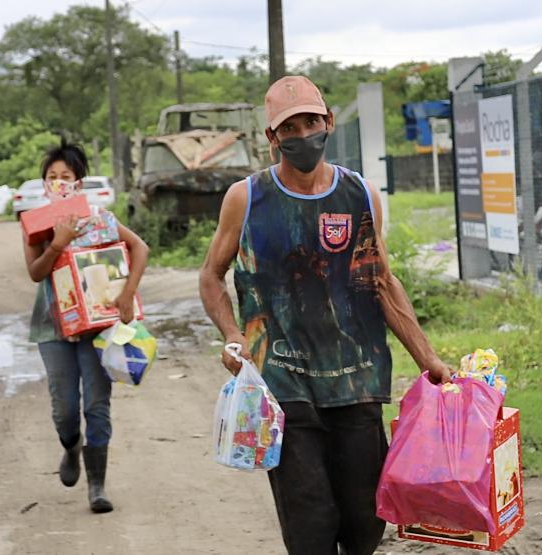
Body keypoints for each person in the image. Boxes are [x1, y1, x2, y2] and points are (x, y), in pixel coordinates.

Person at [198, 75, 452, 554]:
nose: (302, 134)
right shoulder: (246, 198)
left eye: (311, 121)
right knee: (311, 522)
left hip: (355, 379)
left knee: (363, 523)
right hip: (282, 381)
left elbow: (381, 281)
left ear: (329, 122)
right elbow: (212, 274)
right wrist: (233, 335)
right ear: (272, 137)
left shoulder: (360, 196)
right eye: (288, 127)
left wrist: (428, 360)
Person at [24, 140, 149, 513]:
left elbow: (139, 248)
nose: (59, 183)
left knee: (97, 404)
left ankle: (97, 487)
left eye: (67, 177)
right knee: (64, 407)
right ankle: (69, 445)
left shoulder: (100, 218)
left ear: (80, 183)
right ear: (44, 183)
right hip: (53, 328)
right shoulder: (36, 224)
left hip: (97, 327)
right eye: (52, 177)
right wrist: (56, 244)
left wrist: (128, 293)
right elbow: (34, 273)